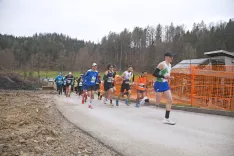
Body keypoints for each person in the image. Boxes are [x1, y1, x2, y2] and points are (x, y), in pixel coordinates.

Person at [152, 51, 176, 125]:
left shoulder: (170, 65)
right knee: (157, 103)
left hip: (165, 84)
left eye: (172, 57)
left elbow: (166, 75)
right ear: (167, 57)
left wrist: (169, 78)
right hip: (158, 83)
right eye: (171, 57)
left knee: (170, 99)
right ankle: (145, 99)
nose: (172, 58)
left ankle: (166, 118)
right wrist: (164, 77)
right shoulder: (162, 64)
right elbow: (154, 74)